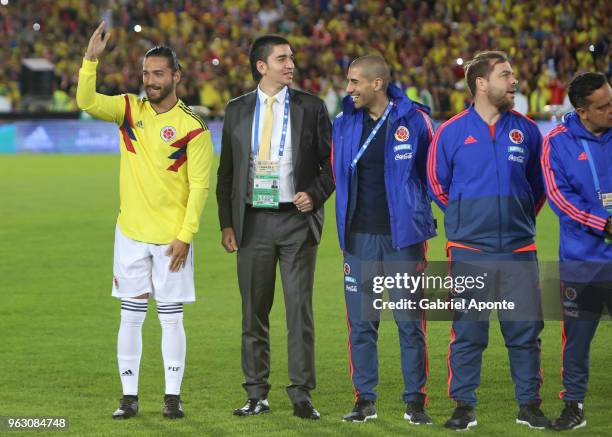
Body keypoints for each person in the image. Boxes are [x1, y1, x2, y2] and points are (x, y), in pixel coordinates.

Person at [76, 22, 213, 420]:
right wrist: (90, 59)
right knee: (130, 316)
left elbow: (199, 189)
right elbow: (86, 102)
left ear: (175, 76)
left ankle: (173, 396)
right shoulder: (128, 109)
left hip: (172, 239)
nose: (150, 81)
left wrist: (186, 236)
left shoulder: (194, 129)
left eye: (158, 74)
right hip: (131, 235)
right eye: (146, 74)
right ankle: (129, 396)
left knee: (171, 319)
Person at [427, 51, 550, 430]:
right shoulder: (450, 131)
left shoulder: (527, 130)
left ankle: (528, 405)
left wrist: (516, 219)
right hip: (469, 250)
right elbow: (436, 183)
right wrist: (467, 219)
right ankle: (464, 406)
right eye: (505, 75)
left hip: (518, 248)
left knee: (526, 332)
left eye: (512, 75)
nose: (514, 81)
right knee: (467, 333)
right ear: (481, 83)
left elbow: (539, 187)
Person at [216, 34, 334, 420]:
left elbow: (330, 166)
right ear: (261, 66)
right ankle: (256, 393)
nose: (291, 64)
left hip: (297, 221)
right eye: (282, 58)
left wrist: (314, 195)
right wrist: (227, 224)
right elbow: (227, 173)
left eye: (292, 58)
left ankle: (302, 394)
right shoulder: (236, 110)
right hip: (252, 223)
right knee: (254, 312)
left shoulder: (311, 107)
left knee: (299, 312)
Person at [332, 55, 436, 424]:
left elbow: (435, 175)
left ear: (376, 84)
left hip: (403, 238)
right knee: (361, 323)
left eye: (354, 81)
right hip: (358, 238)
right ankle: (364, 400)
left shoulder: (415, 120)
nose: (348, 89)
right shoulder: (343, 123)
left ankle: (415, 401)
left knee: (410, 322)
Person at [541, 72, 612, 431]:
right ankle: (574, 406)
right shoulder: (556, 142)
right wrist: (603, 223)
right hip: (582, 260)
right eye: (604, 107)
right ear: (583, 111)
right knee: (577, 341)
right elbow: (557, 197)